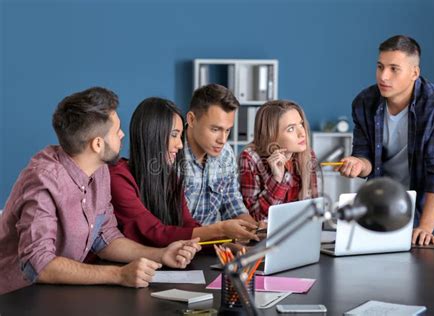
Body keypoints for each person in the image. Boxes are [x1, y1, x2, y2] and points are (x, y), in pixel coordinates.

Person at [0, 87, 200, 295]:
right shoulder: (43, 179)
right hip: (16, 297)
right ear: (97, 144)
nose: (122, 134)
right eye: (116, 131)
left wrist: (161, 254)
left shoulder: (101, 170)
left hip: (58, 293)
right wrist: (119, 275)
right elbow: (38, 265)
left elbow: (105, 238)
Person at [336, 35, 434, 246]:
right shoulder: (364, 102)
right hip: (378, 207)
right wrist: (357, 163)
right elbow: (365, 158)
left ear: (414, 73)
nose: (384, 76)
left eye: (393, 69)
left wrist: (425, 227)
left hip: (420, 213)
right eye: (380, 67)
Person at [109, 97, 260, 247]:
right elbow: (154, 232)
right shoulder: (119, 177)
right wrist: (218, 229)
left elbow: (188, 225)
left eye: (180, 136)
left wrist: (220, 246)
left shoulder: (170, 176)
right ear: (152, 135)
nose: (180, 145)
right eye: (174, 135)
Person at [182, 84, 260, 231]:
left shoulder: (226, 154)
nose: (223, 140)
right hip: (177, 246)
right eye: (215, 129)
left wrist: (254, 228)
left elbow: (232, 202)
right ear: (192, 120)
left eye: (227, 130)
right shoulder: (171, 153)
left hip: (214, 245)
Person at [239, 100, 318, 221]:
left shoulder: (308, 155)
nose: (302, 133)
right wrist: (277, 179)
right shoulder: (250, 158)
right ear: (271, 135)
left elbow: (313, 210)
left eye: (301, 124)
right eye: (291, 129)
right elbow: (255, 218)